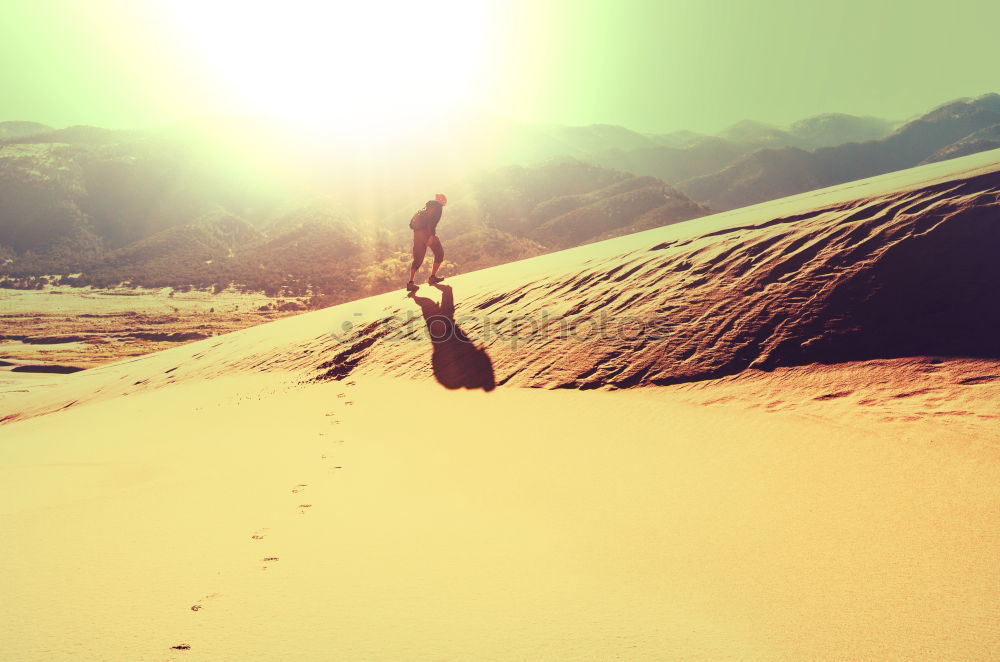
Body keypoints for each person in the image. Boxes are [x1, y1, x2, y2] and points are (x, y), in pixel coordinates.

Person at [406, 193, 448, 291]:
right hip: (427, 233)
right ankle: (432, 277)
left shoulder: (425, 207)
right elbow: (431, 223)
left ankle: (410, 283)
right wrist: (431, 236)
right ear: (441, 200)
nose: (445, 201)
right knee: (439, 253)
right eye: (444, 199)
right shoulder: (438, 207)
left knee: (417, 259)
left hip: (417, 234)